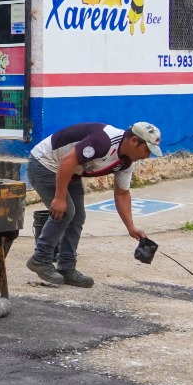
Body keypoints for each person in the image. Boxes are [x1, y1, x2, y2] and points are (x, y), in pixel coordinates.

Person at [25, 121, 162, 288]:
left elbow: (122, 193)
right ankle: (40, 259)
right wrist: (59, 197)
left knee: (78, 216)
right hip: (44, 164)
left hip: (72, 170)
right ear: (133, 141)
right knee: (66, 211)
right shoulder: (104, 141)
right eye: (146, 150)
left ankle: (66, 268)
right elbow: (67, 161)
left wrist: (131, 227)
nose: (147, 156)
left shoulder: (127, 162)